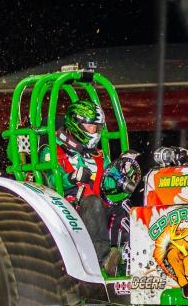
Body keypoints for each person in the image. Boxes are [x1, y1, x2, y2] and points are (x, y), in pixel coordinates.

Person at [42, 99, 129, 268]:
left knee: (123, 204)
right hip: (67, 208)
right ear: (77, 125)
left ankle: (128, 255)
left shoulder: (98, 155)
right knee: (93, 202)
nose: (94, 131)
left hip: (96, 206)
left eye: (96, 127)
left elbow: (109, 179)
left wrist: (122, 176)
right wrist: (72, 177)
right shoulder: (53, 150)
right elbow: (51, 180)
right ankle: (99, 261)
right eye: (90, 126)